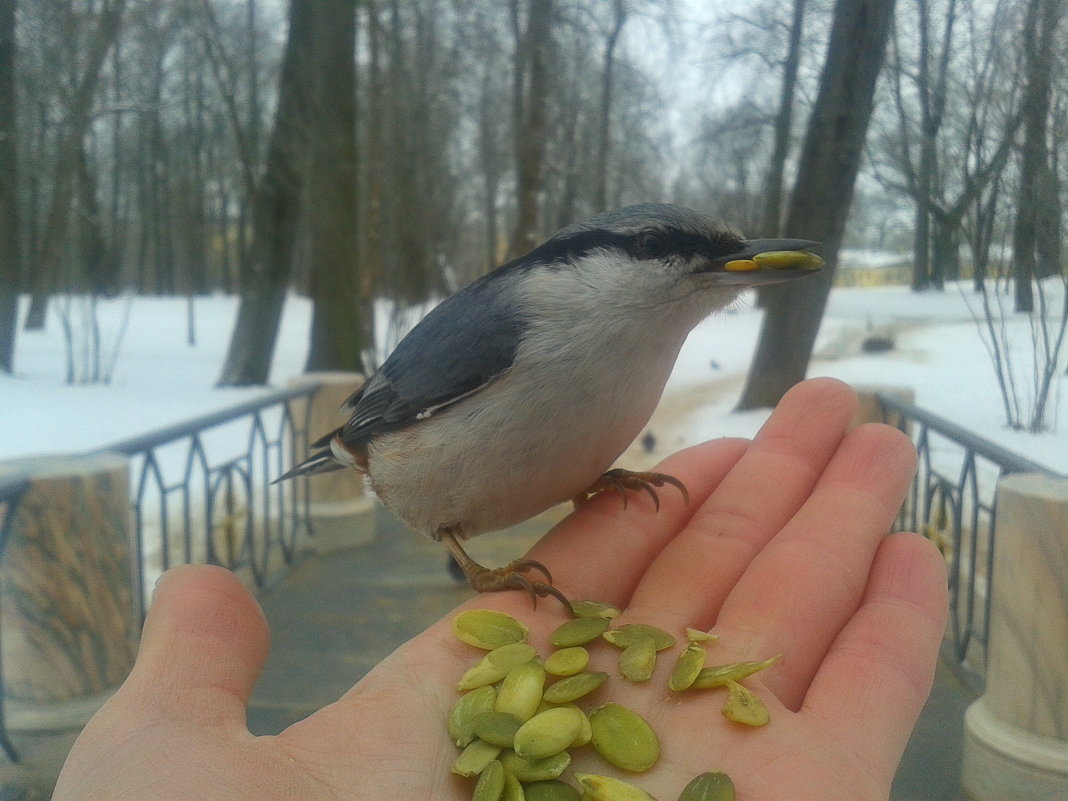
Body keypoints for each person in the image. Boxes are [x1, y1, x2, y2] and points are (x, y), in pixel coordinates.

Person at [53, 379, 948, 800]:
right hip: (395, 445)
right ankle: (473, 562)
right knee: (458, 507)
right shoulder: (493, 338)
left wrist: (590, 477)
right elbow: (395, 412)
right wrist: (479, 571)